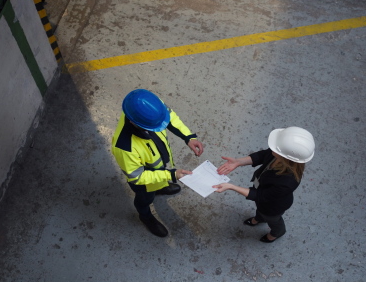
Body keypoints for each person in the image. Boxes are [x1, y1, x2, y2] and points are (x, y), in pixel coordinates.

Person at [111, 89, 204, 237]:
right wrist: (171, 174)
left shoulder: (150, 105)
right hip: (144, 182)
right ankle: (145, 216)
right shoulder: (124, 147)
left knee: (158, 177)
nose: (161, 126)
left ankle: (160, 186)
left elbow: (169, 117)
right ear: (133, 122)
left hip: (157, 167)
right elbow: (138, 177)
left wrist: (188, 137)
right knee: (144, 198)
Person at [213, 127, 315, 243]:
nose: (271, 147)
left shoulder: (287, 183)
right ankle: (259, 218)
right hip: (264, 196)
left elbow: (260, 196)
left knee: (272, 219)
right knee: (261, 210)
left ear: (286, 157)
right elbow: (261, 156)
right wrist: (238, 162)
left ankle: (277, 232)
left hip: (273, 206)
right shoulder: (278, 154)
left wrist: (231, 186)